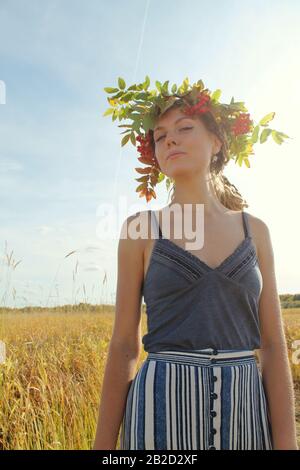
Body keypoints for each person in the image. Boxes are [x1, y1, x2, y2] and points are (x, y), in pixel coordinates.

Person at [93, 79, 298, 450]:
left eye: (184, 128)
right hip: (160, 413)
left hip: (245, 413)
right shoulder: (141, 229)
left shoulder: (257, 232)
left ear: (217, 141)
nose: (169, 140)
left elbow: (272, 345)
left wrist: (287, 443)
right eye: (159, 136)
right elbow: (124, 345)